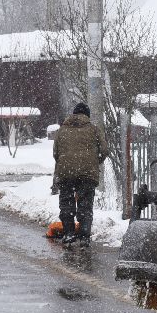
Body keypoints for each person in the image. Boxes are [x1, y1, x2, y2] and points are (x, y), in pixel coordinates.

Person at [52, 101, 107, 243]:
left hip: (66, 172)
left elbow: (56, 153)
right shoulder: (94, 129)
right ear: (87, 115)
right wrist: (95, 161)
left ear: (74, 114)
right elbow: (104, 150)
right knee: (85, 204)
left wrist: (65, 162)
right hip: (88, 173)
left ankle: (69, 233)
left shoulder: (61, 130)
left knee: (66, 203)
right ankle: (84, 236)